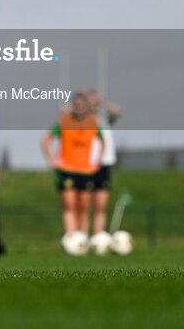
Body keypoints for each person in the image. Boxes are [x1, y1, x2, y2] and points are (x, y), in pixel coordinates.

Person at [41, 92, 106, 253]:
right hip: (67, 169)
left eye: (82, 105)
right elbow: (46, 140)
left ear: (87, 106)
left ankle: (82, 239)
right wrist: (52, 160)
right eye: (76, 104)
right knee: (69, 204)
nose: (79, 107)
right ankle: (70, 239)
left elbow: (103, 141)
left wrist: (98, 160)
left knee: (83, 205)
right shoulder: (64, 121)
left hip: (85, 170)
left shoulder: (93, 122)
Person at [87, 89, 121, 251]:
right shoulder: (82, 118)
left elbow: (116, 111)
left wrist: (102, 103)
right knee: (84, 204)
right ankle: (83, 238)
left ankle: (98, 237)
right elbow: (64, 112)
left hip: (104, 163)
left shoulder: (104, 119)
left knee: (100, 205)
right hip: (85, 164)